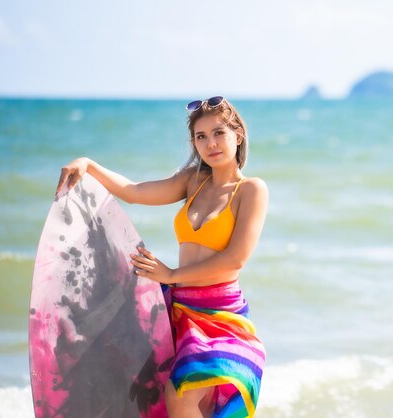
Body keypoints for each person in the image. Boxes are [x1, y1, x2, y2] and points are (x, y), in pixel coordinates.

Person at [56, 96, 268, 418]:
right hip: (176, 309)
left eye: (218, 133)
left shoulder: (251, 190)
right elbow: (135, 192)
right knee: (146, 392)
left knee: (181, 392)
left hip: (219, 315)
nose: (210, 143)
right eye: (201, 136)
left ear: (237, 135)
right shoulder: (192, 182)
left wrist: (169, 275)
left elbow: (235, 259)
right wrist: (90, 164)